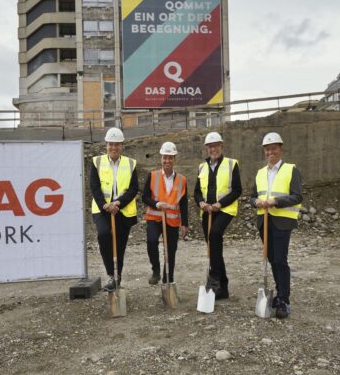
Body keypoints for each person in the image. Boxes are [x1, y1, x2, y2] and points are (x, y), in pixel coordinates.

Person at [250, 132, 303, 318]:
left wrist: (275, 202)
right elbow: (252, 196)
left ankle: (284, 300)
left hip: (282, 222)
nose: (270, 152)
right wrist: (255, 201)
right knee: (272, 259)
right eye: (267, 149)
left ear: (280, 149)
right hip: (264, 222)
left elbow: (297, 196)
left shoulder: (291, 170)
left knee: (280, 260)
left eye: (273, 148)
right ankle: (279, 294)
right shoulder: (260, 173)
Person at [90, 127, 139, 292]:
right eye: (111, 144)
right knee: (104, 235)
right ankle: (111, 274)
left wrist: (118, 203)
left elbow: (133, 189)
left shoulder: (130, 164)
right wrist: (105, 205)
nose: (114, 148)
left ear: (122, 146)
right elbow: (94, 187)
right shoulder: (97, 162)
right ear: (106, 145)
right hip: (102, 209)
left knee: (120, 245)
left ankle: (117, 278)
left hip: (122, 211)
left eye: (117, 144)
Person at [194, 131, 242, 300]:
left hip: (225, 210)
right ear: (207, 148)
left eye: (215, 146)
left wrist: (220, 204)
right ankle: (224, 287)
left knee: (214, 234)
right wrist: (201, 203)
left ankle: (213, 278)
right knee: (214, 248)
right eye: (210, 146)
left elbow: (237, 190)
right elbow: (197, 192)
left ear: (221, 146)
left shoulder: (231, 164)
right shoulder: (202, 167)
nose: (213, 149)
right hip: (207, 211)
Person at [142, 141, 188, 286]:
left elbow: (183, 203)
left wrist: (184, 223)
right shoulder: (153, 175)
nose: (167, 161)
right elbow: (144, 197)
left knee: (171, 251)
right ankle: (155, 270)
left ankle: (168, 278)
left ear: (175, 159)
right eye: (165, 157)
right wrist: (156, 204)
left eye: (170, 157)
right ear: (161, 158)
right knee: (151, 241)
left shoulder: (182, 180)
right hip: (154, 218)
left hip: (172, 221)